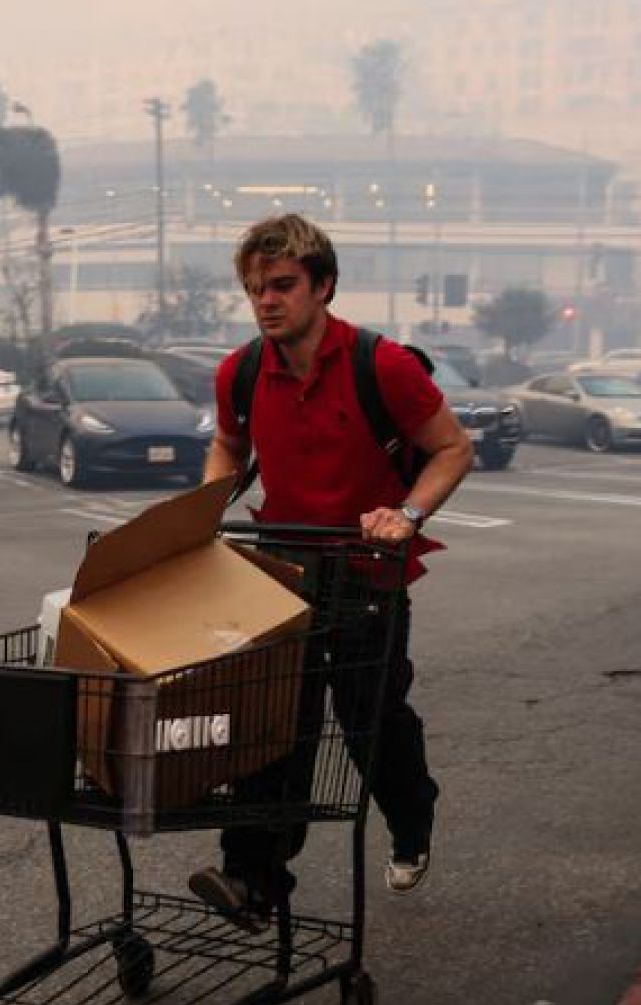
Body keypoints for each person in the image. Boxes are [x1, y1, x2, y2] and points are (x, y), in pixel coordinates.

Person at [190, 213, 474, 929]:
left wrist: (405, 515)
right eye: (255, 288)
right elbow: (228, 445)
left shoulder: (382, 366)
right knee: (270, 724)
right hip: (283, 572)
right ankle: (254, 878)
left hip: (367, 579)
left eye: (282, 285)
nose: (266, 301)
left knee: (370, 723)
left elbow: (451, 449)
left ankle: (413, 819)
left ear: (324, 287)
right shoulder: (243, 370)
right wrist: (207, 501)